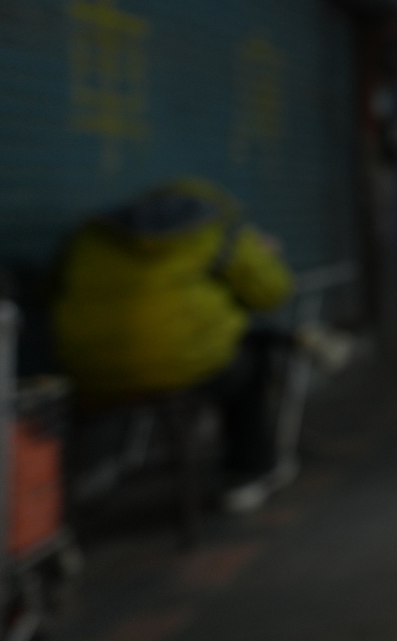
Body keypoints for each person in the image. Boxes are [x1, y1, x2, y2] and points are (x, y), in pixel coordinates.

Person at [54, 179, 297, 507]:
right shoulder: (220, 234)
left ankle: (91, 475)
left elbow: (54, 290)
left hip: (89, 374)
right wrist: (265, 256)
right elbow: (273, 292)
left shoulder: (89, 237)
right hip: (183, 369)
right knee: (252, 359)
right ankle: (251, 470)